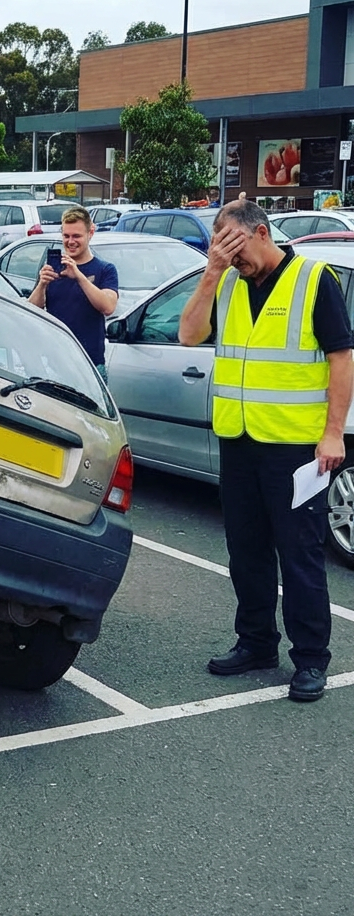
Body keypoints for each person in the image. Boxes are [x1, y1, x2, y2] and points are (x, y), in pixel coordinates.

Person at [179, 198, 354, 702]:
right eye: (224, 252)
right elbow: (189, 335)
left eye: (237, 249)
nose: (235, 261)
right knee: (246, 552)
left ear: (260, 232)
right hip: (239, 440)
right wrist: (212, 272)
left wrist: (334, 432)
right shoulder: (228, 281)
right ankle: (256, 642)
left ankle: (311, 659)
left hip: (295, 446)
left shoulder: (313, 280)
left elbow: (341, 359)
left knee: (299, 554)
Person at [27, 205, 119, 377]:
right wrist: (42, 285)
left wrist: (78, 276)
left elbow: (108, 307)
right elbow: (31, 311)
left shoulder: (105, 269)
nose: (71, 241)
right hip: (55, 361)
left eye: (77, 236)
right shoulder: (51, 268)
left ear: (90, 233)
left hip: (89, 363)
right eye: (66, 236)